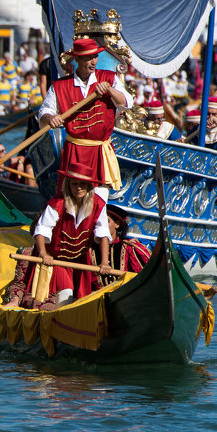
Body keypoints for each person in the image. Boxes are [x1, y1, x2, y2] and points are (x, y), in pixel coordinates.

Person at [37, 38, 132, 199]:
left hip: (99, 150)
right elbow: (44, 111)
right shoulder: (60, 86)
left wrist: (110, 90)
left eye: (95, 57)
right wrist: (50, 118)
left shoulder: (109, 78)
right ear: (77, 59)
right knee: (70, 201)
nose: (93, 61)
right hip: (75, 149)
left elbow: (126, 103)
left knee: (99, 200)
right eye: (88, 58)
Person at [30, 161, 114, 306]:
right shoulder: (57, 203)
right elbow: (42, 229)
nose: (78, 188)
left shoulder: (98, 204)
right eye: (74, 184)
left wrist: (105, 262)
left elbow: (103, 234)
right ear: (68, 185)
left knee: (81, 298)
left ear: (88, 186)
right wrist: (44, 254)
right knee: (65, 294)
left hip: (80, 260)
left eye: (82, 184)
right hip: (56, 260)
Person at [100, 204, 151, 285]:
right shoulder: (88, 249)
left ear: (117, 224)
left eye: (106, 221)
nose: (101, 226)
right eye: (98, 222)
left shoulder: (130, 248)